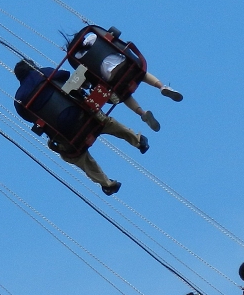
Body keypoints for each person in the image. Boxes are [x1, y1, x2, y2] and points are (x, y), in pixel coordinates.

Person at [12, 60, 148, 195]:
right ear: (32, 66)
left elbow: (28, 117)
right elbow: (65, 74)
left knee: (76, 157)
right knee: (106, 122)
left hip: (66, 134)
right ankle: (137, 140)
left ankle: (107, 184)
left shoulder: (19, 99)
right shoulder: (44, 73)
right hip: (84, 115)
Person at [71, 29, 182, 131]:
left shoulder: (77, 57)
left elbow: (89, 77)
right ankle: (162, 87)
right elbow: (113, 37)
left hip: (112, 79)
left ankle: (142, 114)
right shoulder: (93, 36)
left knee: (124, 96)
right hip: (126, 64)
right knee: (141, 74)